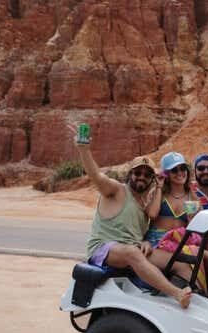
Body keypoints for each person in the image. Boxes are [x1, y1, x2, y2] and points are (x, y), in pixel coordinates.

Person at [74, 130, 192, 308]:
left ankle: (198, 304)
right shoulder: (116, 190)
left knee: (180, 263)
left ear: (153, 179)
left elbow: (136, 230)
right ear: (130, 175)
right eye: (138, 173)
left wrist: (144, 241)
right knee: (132, 252)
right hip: (104, 249)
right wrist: (84, 150)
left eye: (147, 174)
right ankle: (176, 294)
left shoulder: (145, 204)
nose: (141, 177)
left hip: (133, 251)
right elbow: (96, 177)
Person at [147, 151, 208, 293]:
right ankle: (200, 294)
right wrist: (159, 187)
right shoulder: (159, 192)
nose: (180, 173)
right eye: (174, 170)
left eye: (182, 168)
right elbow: (152, 214)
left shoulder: (192, 195)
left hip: (181, 241)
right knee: (194, 259)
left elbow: (198, 225)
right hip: (159, 241)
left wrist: (192, 218)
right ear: (166, 174)